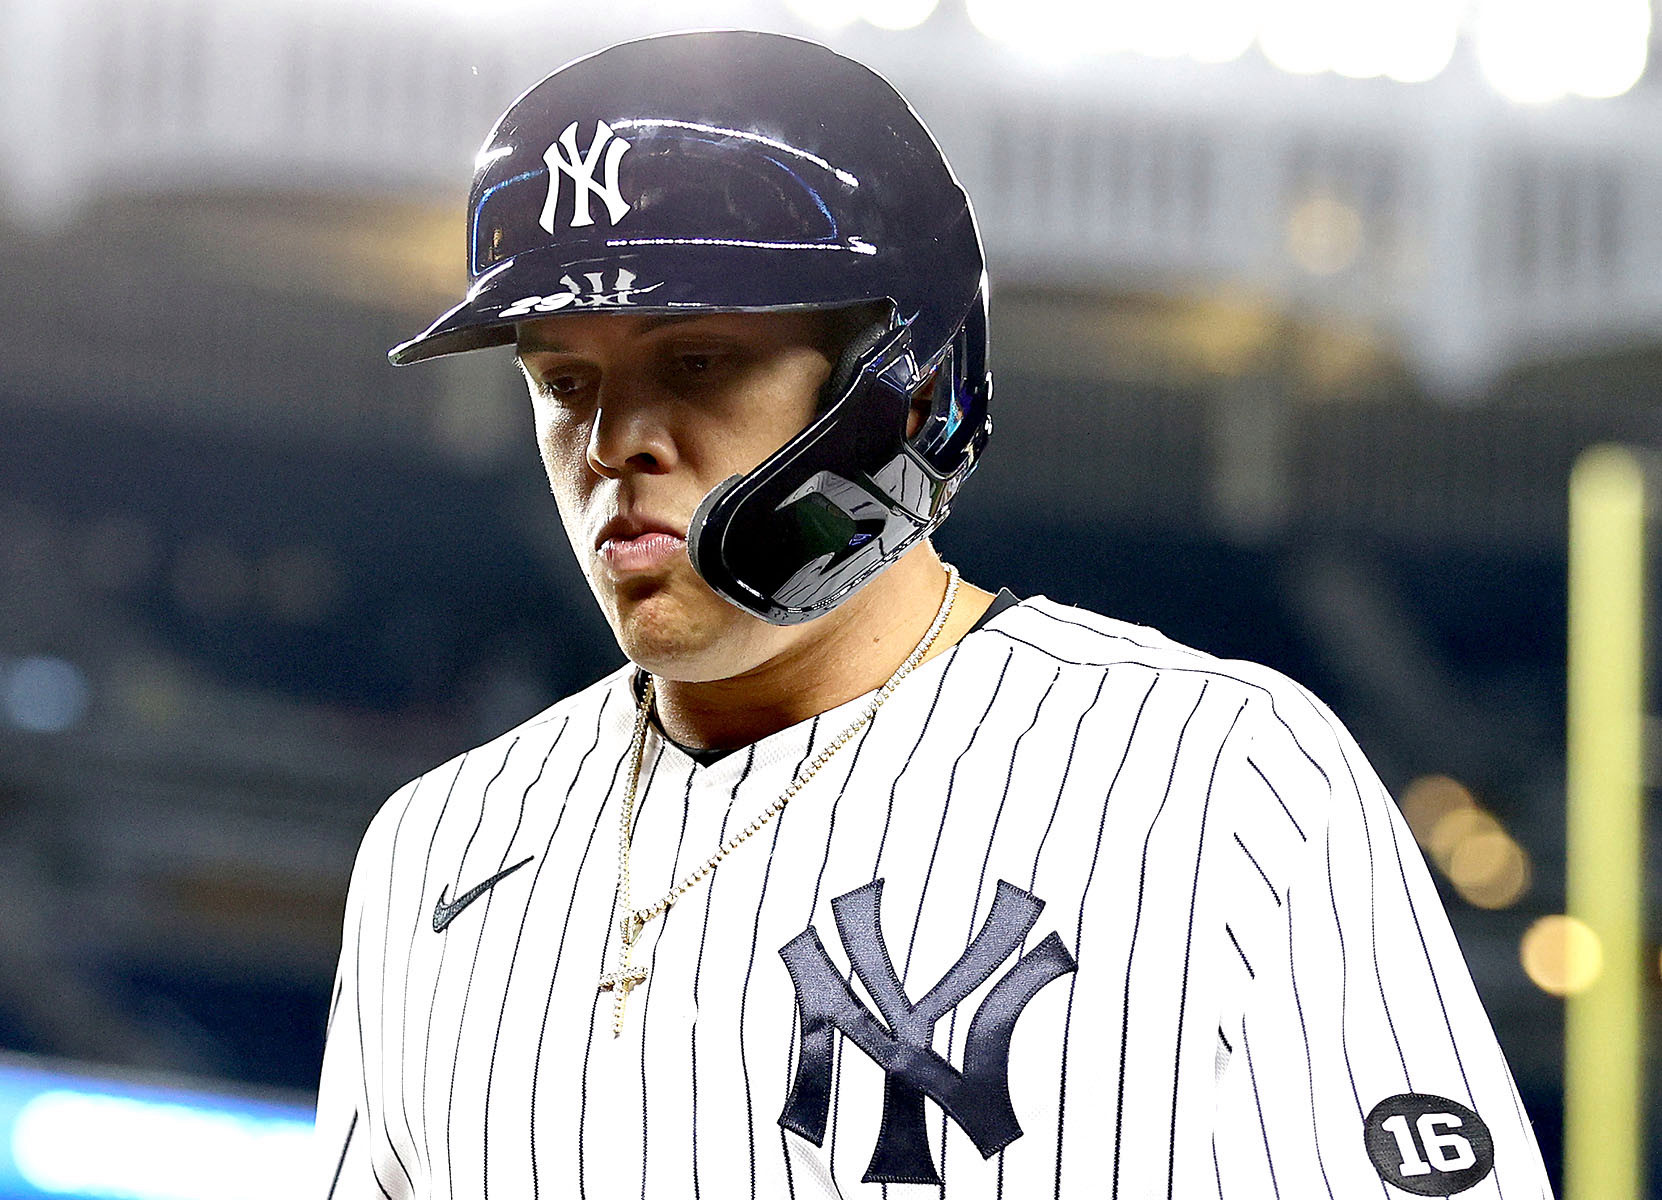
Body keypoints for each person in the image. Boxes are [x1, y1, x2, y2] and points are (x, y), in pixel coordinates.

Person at [316, 29, 1553, 1200]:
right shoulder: (436, 847)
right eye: (564, 381)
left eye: (697, 361)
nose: (615, 443)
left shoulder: (1217, 780)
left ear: (903, 395)